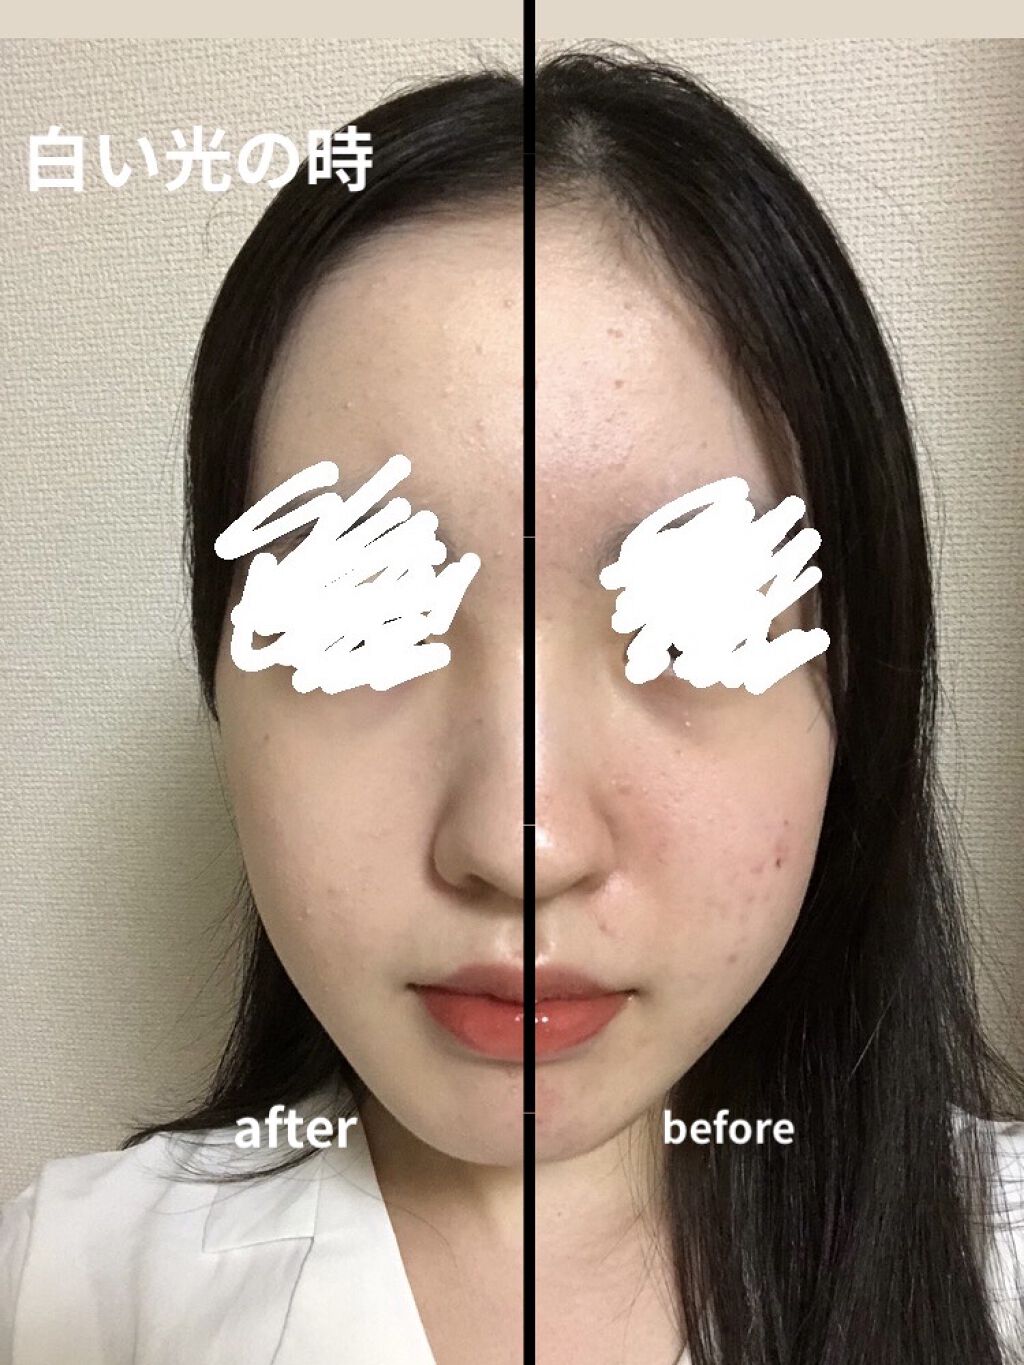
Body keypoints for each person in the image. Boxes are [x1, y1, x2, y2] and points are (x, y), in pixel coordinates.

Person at [2, 48, 1022, 1365]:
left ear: (856, 695)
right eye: (356, 615)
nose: (517, 845)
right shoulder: (62, 1294)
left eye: (696, 617)